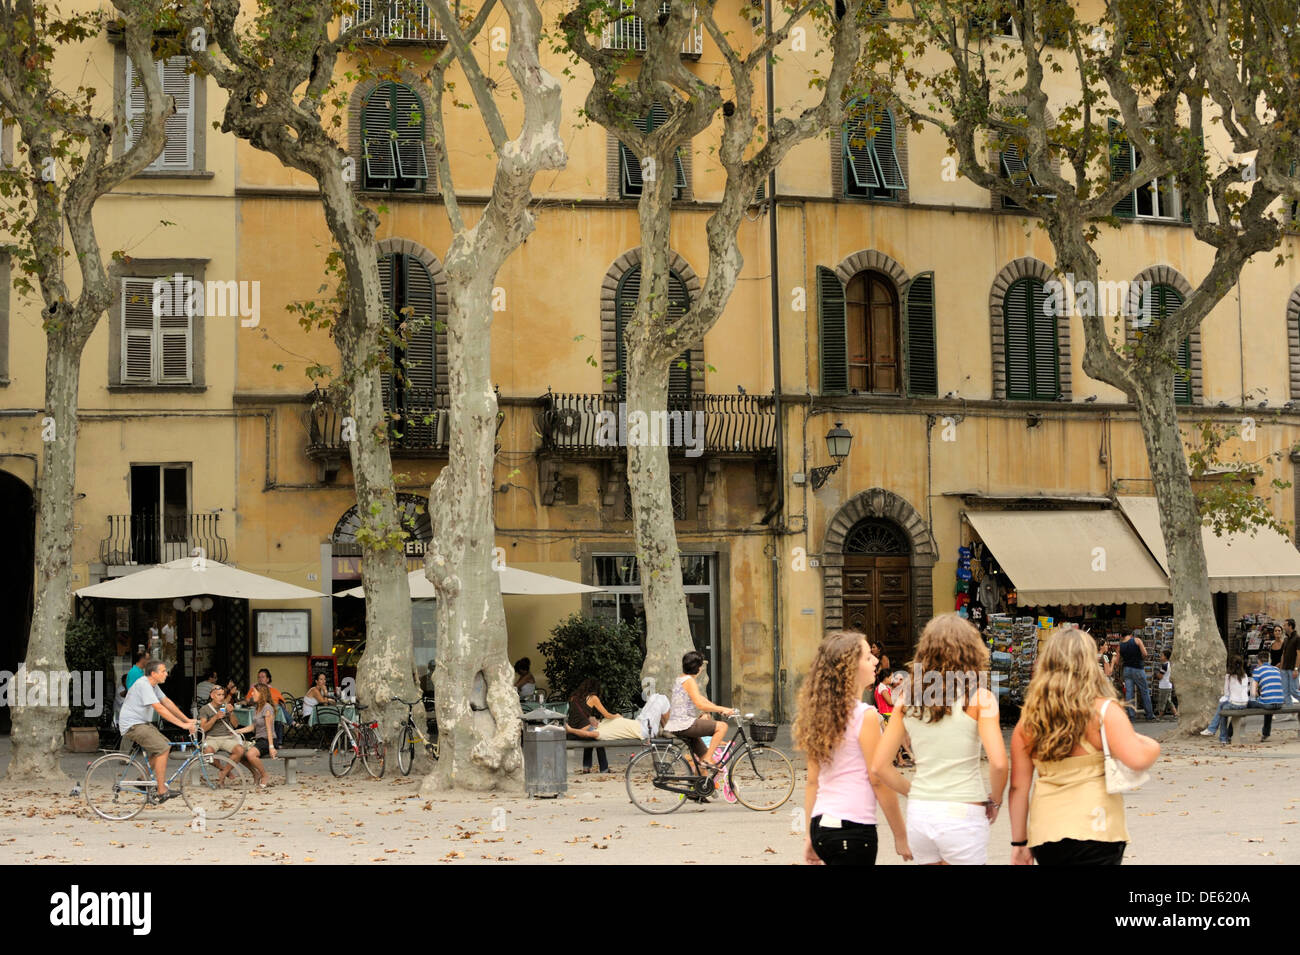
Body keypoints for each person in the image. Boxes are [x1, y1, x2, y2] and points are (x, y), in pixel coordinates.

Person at [1009, 626, 1160, 865]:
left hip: (1047, 832)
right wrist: (1152, 745)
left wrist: (1019, 842)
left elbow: (1018, 787)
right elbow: (1138, 759)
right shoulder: (1104, 711)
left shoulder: (1029, 721)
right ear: (1090, 663)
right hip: (1098, 828)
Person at [870, 614, 1008, 866]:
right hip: (963, 811)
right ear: (971, 650)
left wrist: (916, 793)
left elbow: (879, 766)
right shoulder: (980, 698)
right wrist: (995, 801)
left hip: (922, 812)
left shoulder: (907, 698)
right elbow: (999, 764)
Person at [795, 631, 910, 865]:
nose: (876, 661)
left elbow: (813, 782)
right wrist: (900, 835)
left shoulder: (820, 714)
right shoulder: (865, 716)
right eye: (868, 658)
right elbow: (878, 778)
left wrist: (810, 835)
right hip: (853, 829)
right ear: (850, 667)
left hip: (822, 827)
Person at [116, 660, 198, 800]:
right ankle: (161, 790)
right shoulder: (144, 685)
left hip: (141, 723)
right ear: (153, 674)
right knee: (162, 748)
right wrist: (182, 725)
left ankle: (143, 780)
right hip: (133, 725)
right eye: (163, 671)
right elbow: (159, 708)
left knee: (164, 746)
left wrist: (187, 720)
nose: (166, 674)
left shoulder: (153, 685)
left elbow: (167, 702)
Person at [663, 650, 738, 774]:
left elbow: (701, 699)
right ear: (697, 668)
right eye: (701, 666)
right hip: (684, 724)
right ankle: (708, 759)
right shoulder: (689, 681)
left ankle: (696, 791)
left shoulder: (681, 679)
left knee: (704, 760)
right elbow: (700, 704)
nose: (702, 669)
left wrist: (718, 708)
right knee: (722, 726)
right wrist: (722, 709)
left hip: (678, 724)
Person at [198, 685, 254, 785]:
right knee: (207, 753)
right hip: (212, 738)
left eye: (223, 695)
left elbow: (235, 725)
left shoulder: (225, 707)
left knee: (240, 750)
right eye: (218, 695)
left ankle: (223, 774)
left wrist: (232, 712)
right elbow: (203, 728)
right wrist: (215, 717)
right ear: (212, 695)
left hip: (227, 737)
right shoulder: (205, 709)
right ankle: (224, 769)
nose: (221, 697)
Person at [564, 678, 618, 773]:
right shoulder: (593, 698)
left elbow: (576, 715)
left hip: (571, 733)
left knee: (590, 735)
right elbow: (607, 715)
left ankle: (586, 767)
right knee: (599, 737)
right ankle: (604, 768)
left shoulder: (573, 697)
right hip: (583, 732)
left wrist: (590, 719)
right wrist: (617, 716)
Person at [1201, 655, 1252, 743]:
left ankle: (1218, 734)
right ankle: (1218, 734)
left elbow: (1226, 694)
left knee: (1222, 708)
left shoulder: (1229, 676)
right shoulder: (1245, 675)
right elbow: (1246, 689)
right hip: (1244, 704)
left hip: (1234, 704)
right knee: (1223, 708)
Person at [874, 670, 913, 768]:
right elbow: (890, 701)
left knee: (898, 737)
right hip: (886, 714)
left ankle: (904, 757)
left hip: (889, 714)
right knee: (896, 738)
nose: (892, 679)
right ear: (886, 678)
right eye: (891, 677)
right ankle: (903, 758)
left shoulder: (885, 687)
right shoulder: (882, 688)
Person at [1117, 631, 1155, 721]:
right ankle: (1149, 714)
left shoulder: (1120, 646)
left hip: (1127, 670)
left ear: (1122, 637)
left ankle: (1131, 716)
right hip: (1138, 668)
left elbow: (1117, 662)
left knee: (1129, 693)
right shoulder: (1137, 640)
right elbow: (1145, 653)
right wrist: (1141, 659)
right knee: (1144, 691)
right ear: (1130, 635)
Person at [1249, 651, 1286, 741]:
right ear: (1269, 660)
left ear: (1258, 661)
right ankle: (1265, 734)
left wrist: (1253, 699)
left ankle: (1229, 734)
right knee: (1267, 700)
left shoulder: (1257, 670)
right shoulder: (1276, 669)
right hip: (1280, 702)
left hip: (1269, 703)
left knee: (1245, 703)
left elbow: (1253, 693)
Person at [245, 684, 278, 782]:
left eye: (254, 692)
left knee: (250, 755)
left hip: (268, 740)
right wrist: (235, 731)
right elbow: (252, 727)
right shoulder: (257, 707)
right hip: (259, 740)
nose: (252, 694)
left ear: (261, 694)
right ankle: (256, 774)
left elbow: (269, 729)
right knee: (241, 753)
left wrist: (271, 747)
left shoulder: (267, 708)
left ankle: (264, 775)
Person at [1280, 621, 1300, 706]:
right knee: (1285, 692)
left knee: (1294, 691)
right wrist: (1281, 668)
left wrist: (1296, 669)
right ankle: (1291, 712)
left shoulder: (1298, 638)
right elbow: (1283, 654)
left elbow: (1299, 655)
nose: (1283, 627)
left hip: (1293, 669)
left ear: (1290, 626)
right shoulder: (1286, 639)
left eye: (1285, 625)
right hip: (1284, 669)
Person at [1153, 651, 1177, 720]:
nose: (1160, 657)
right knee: (1168, 701)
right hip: (1168, 685)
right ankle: (1175, 713)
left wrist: (1156, 673)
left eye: (1162, 655)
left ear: (1166, 657)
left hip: (1164, 686)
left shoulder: (1164, 666)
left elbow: (1160, 676)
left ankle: (1160, 716)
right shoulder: (1170, 664)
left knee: (1162, 701)